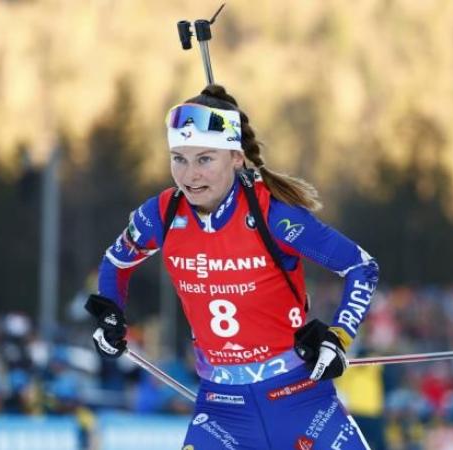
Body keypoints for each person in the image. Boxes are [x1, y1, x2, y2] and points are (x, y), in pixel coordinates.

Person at [85, 84, 380, 449]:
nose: (190, 175)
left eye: (205, 159)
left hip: (300, 399)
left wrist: (339, 337)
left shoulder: (273, 214)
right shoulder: (161, 214)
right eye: (179, 159)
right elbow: (116, 262)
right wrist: (110, 316)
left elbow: (360, 267)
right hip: (223, 412)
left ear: (236, 158)